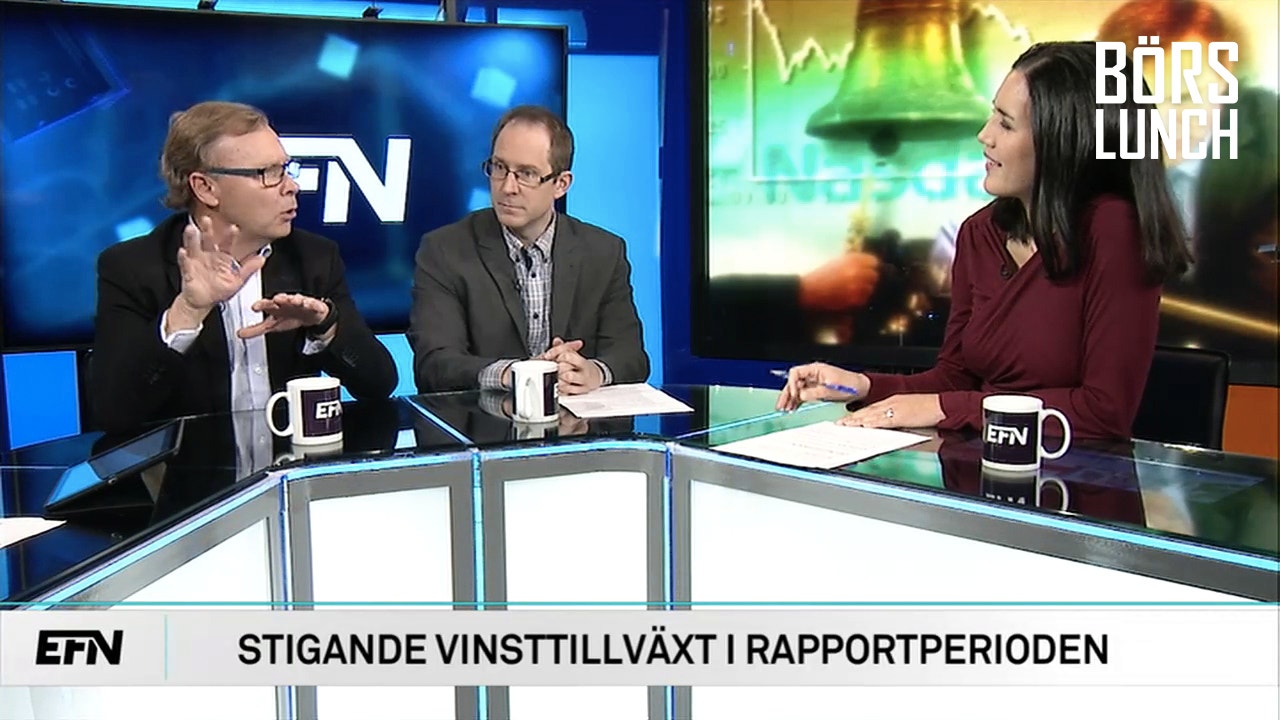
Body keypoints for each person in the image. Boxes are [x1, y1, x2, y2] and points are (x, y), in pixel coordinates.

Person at [777, 42, 1191, 440]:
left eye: (1005, 124)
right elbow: (955, 380)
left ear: (1064, 142)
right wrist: (860, 385)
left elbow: (1104, 412)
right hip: (982, 469)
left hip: (1073, 478)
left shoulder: (1115, 229)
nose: (984, 135)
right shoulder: (980, 233)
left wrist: (946, 409)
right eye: (993, 115)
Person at [91, 101, 398, 434]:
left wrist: (326, 326)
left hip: (294, 462)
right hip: (193, 467)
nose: (292, 186)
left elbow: (379, 385)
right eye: (267, 173)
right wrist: (187, 311)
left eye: (286, 168)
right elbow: (113, 414)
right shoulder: (132, 268)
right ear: (205, 187)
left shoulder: (314, 258)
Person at [409, 105, 649, 393]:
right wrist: (514, 374)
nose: (508, 187)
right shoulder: (445, 251)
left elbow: (632, 358)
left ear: (561, 184)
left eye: (527, 174)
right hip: (483, 419)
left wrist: (593, 372)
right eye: (499, 168)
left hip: (577, 419)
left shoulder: (604, 252)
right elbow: (434, 365)